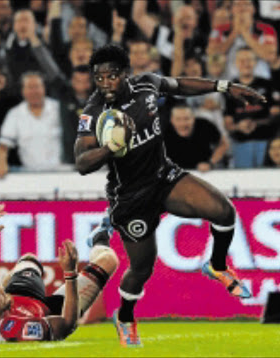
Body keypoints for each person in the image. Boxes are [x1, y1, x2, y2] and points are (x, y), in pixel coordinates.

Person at [74, 44, 265, 347]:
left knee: (224, 211)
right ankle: (125, 317)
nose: (105, 84)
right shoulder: (94, 112)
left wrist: (225, 86)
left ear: (125, 74)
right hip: (130, 197)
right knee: (141, 269)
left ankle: (216, 265)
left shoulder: (146, 84)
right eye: (99, 79)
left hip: (164, 177)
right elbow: (81, 162)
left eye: (111, 76)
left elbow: (180, 85)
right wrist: (109, 148)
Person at [0, 204, 119, 342]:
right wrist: (70, 273)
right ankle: (100, 237)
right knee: (109, 260)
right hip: (52, 312)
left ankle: (21, 275)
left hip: (22, 299)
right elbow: (66, 324)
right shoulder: (23, 330)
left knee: (29, 259)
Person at [0, 72, 63, 178]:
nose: (34, 91)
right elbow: (3, 144)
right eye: (30, 87)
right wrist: (1, 163)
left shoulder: (59, 109)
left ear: (44, 88)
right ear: (23, 91)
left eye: (37, 87)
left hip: (62, 173)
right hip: (30, 174)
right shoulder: (15, 114)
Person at [164, 104, 228, 171]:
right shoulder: (162, 131)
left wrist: (210, 163)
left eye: (186, 119)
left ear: (193, 118)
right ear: (171, 120)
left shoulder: (205, 126)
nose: (182, 123)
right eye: (178, 119)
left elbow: (224, 144)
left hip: (204, 172)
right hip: (175, 173)